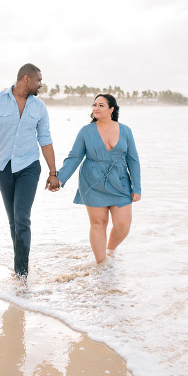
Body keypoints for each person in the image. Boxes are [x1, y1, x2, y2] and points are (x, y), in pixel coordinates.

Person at [0, 63, 60, 282]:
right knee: (13, 220)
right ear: (26, 79)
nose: (41, 85)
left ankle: (22, 274)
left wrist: (53, 172)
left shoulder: (39, 107)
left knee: (22, 217)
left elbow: (45, 139)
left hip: (29, 167)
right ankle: (20, 266)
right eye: (38, 80)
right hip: (3, 167)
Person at [55, 94, 141, 264]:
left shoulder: (125, 130)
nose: (96, 108)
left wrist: (136, 188)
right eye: (94, 105)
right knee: (98, 223)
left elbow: (133, 159)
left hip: (120, 182)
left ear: (111, 109)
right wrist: (60, 178)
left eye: (101, 105)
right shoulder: (86, 131)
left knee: (123, 225)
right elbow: (74, 157)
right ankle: (102, 265)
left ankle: (110, 250)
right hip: (92, 181)